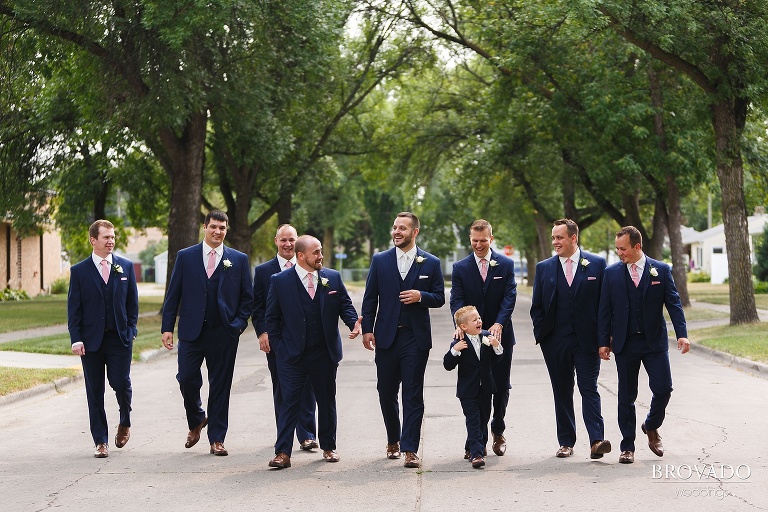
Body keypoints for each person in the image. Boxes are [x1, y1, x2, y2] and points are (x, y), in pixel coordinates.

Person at [161, 210, 253, 456]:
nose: (217, 232)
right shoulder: (185, 257)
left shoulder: (239, 259)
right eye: (213, 226)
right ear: (205, 227)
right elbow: (174, 294)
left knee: (220, 385)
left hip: (224, 332)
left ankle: (217, 439)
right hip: (192, 331)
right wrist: (167, 327)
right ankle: (197, 419)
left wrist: (238, 325)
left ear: (226, 230)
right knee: (187, 378)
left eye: (222, 228)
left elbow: (247, 299)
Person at [265, 235, 360, 469]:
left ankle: (329, 447)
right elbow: (271, 318)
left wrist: (353, 324)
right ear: (301, 256)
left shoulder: (332, 278)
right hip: (292, 355)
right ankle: (283, 453)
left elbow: (345, 306)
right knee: (289, 403)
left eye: (320, 252)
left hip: (324, 353)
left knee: (326, 401)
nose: (321, 256)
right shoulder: (280, 281)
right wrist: (280, 349)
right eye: (316, 252)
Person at [598, 225, 690, 464]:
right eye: (617, 248)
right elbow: (604, 311)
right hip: (625, 343)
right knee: (626, 396)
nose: (620, 253)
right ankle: (627, 446)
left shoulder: (660, 270)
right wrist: (603, 342)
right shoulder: (612, 273)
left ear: (637, 246)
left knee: (664, 389)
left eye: (623, 248)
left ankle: (651, 425)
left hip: (654, 342)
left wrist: (682, 334)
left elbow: (674, 303)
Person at [361, 212, 445, 469]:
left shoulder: (430, 262)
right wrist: (367, 328)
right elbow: (370, 297)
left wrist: (421, 295)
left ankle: (410, 448)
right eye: (395, 227)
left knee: (412, 393)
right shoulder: (380, 260)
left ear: (415, 232)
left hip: (415, 338)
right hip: (386, 336)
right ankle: (392, 440)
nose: (397, 232)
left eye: (403, 228)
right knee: (385, 391)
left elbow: (440, 297)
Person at [530, 218, 611, 459]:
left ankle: (597, 440)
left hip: (588, 342)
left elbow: (605, 305)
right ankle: (566, 442)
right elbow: (537, 307)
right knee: (562, 391)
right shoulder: (544, 268)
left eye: (559, 237)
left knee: (589, 389)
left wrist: (605, 338)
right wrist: (543, 336)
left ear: (573, 238)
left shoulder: (596, 264)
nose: (555, 242)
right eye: (553, 237)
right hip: (555, 342)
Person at [67, 219, 138, 458]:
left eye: (113, 237)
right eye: (106, 237)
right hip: (91, 341)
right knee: (94, 391)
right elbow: (74, 308)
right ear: (93, 240)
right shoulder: (79, 271)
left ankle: (125, 420)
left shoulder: (125, 267)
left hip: (119, 339)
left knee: (120, 383)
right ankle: (101, 441)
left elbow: (132, 304)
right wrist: (76, 338)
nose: (111, 241)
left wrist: (131, 330)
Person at [449, 219, 516, 456]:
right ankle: (476, 441)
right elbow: (456, 299)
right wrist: (460, 325)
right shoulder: (460, 268)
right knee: (474, 390)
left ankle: (498, 430)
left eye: (483, 241)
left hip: (500, 337)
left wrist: (499, 324)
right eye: (474, 241)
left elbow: (509, 298)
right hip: (471, 338)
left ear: (491, 239)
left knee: (501, 386)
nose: (478, 245)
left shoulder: (506, 265)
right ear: (470, 239)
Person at [252, 224, 318, 450]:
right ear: (276, 241)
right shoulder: (263, 271)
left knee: (307, 386)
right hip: (277, 341)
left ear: (297, 242)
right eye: (284, 240)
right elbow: (258, 307)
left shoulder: (310, 265)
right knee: (282, 388)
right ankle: (285, 435)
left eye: (292, 240)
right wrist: (262, 333)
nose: (288, 244)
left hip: (307, 340)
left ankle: (308, 433)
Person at [443, 306, 503, 469]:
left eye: (479, 318)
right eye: (474, 320)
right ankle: (476, 454)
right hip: (467, 391)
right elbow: (448, 365)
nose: (479, 321)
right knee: (473, 420)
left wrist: (497, 346)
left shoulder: (487, 337)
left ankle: (471, 446)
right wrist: (454, 351)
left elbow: (497, 361)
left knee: (483, 420)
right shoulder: (459, 342)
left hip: (486, 388)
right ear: (463, 327)